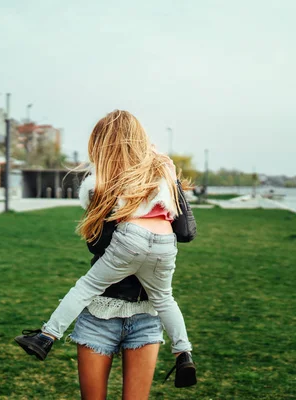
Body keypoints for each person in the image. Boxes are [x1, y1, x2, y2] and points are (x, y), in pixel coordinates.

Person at [15, 110, 196, 389]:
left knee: (85, 287)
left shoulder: (104, 180)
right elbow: (182, 229)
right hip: (163, 244)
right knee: (166, 299)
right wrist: (166, 170)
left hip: (131, 242)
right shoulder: (161, 169)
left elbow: (97, 243)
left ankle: (46, 337)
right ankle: (183, 353)